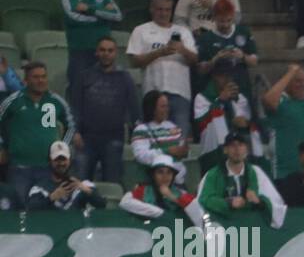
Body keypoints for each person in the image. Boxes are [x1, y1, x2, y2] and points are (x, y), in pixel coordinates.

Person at [0, 63, 76, 208]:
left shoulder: (56, 101)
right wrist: (2, 146)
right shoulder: (13, 100)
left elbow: (71, 125)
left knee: (46, 207)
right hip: (19, 168)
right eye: (36, 77)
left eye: (43, 77)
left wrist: (62, 147)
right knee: (19, 208)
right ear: (26, 80)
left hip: (48, 168)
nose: (41, 81)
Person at [127, 0, 200, 141]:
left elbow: (195, 60)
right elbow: (134, 61)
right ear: (151, 9)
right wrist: (160, 52)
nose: (164, 13)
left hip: (180, 93)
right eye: (160, 9)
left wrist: (182, 49)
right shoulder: (141, 30)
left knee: (179, 140)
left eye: (167, 9)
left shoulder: (183, 32)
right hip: (153, 93)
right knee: (153, 141)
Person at [72, 37, 139, 185]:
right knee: (80, 185)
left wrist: (139, 133)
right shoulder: (84, 76)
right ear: (96, 52)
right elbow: (75, 107)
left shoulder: (125, 78)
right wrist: (75, 131)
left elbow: (134, 108)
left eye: (110, 50)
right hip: (86, 139)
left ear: (115, 53)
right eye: (102, 50)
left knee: (112, 184)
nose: (106, 54)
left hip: (114, 138)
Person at [62, 0, 122, 102]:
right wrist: (103, 16)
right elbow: (73, 17)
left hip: (103, 53)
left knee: (105, 95)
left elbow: (117, 16)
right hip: (79, 53)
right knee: (78, 96)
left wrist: (89, 9)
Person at [197, 131, 286, 228]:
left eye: (240, 145)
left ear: (246, 149)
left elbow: (276, 203)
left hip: (252, 229)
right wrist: (228, 203)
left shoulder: (256, 172)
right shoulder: (213, 175)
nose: (237, 149)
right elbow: (202, 200)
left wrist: (259, 201)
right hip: (223, 229)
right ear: (225, 150)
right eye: (232, 145)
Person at [194, 68, 262, 173]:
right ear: (214, 77)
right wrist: (220, 100)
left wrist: (245, 124)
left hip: (238, 154)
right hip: (213, 154)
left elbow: (249, 124)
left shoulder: (240, 98)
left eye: (229, 75)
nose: (227, 79)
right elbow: (203, 123)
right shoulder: (201, 97)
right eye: (222, 75)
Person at [195, 0, 259, 105]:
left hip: (242, 88)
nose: (225, 25)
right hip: (217, 91)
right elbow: (200, 70)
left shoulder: (243, 32)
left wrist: (242, 56)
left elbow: (254, 61)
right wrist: (215, 60)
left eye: (229, 20)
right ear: (214, 18)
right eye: (221, 21)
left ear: (233, 16)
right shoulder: (205, 38)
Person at [120, 155, 204, 226]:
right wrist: (159, 213)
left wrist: (173, 198)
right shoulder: (143, 190)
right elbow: (124, 202)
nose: (165, 176)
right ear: (153, 175)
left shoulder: (180, 193)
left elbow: (199, 215)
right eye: (160, 172)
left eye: (169, 173)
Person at [27, 141, 107, 212]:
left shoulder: (83, 184)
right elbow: (31, 210)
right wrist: (51, 198)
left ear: (69, 161)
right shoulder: (40, 188)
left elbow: (102, 204)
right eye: (57, 160)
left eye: (64, 159)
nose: (61, 163)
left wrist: (84, 189)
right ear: (50, 161)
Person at [131, 90, 190, 185]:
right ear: (152, 108)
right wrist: (167, 151)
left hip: (178, 181)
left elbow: (181, 151)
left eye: (167, 106)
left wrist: (184, 151)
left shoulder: (172, 127)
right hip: (152, 183)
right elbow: (141, 156)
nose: (167, 109)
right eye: (163, 106)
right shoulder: (141, 130)